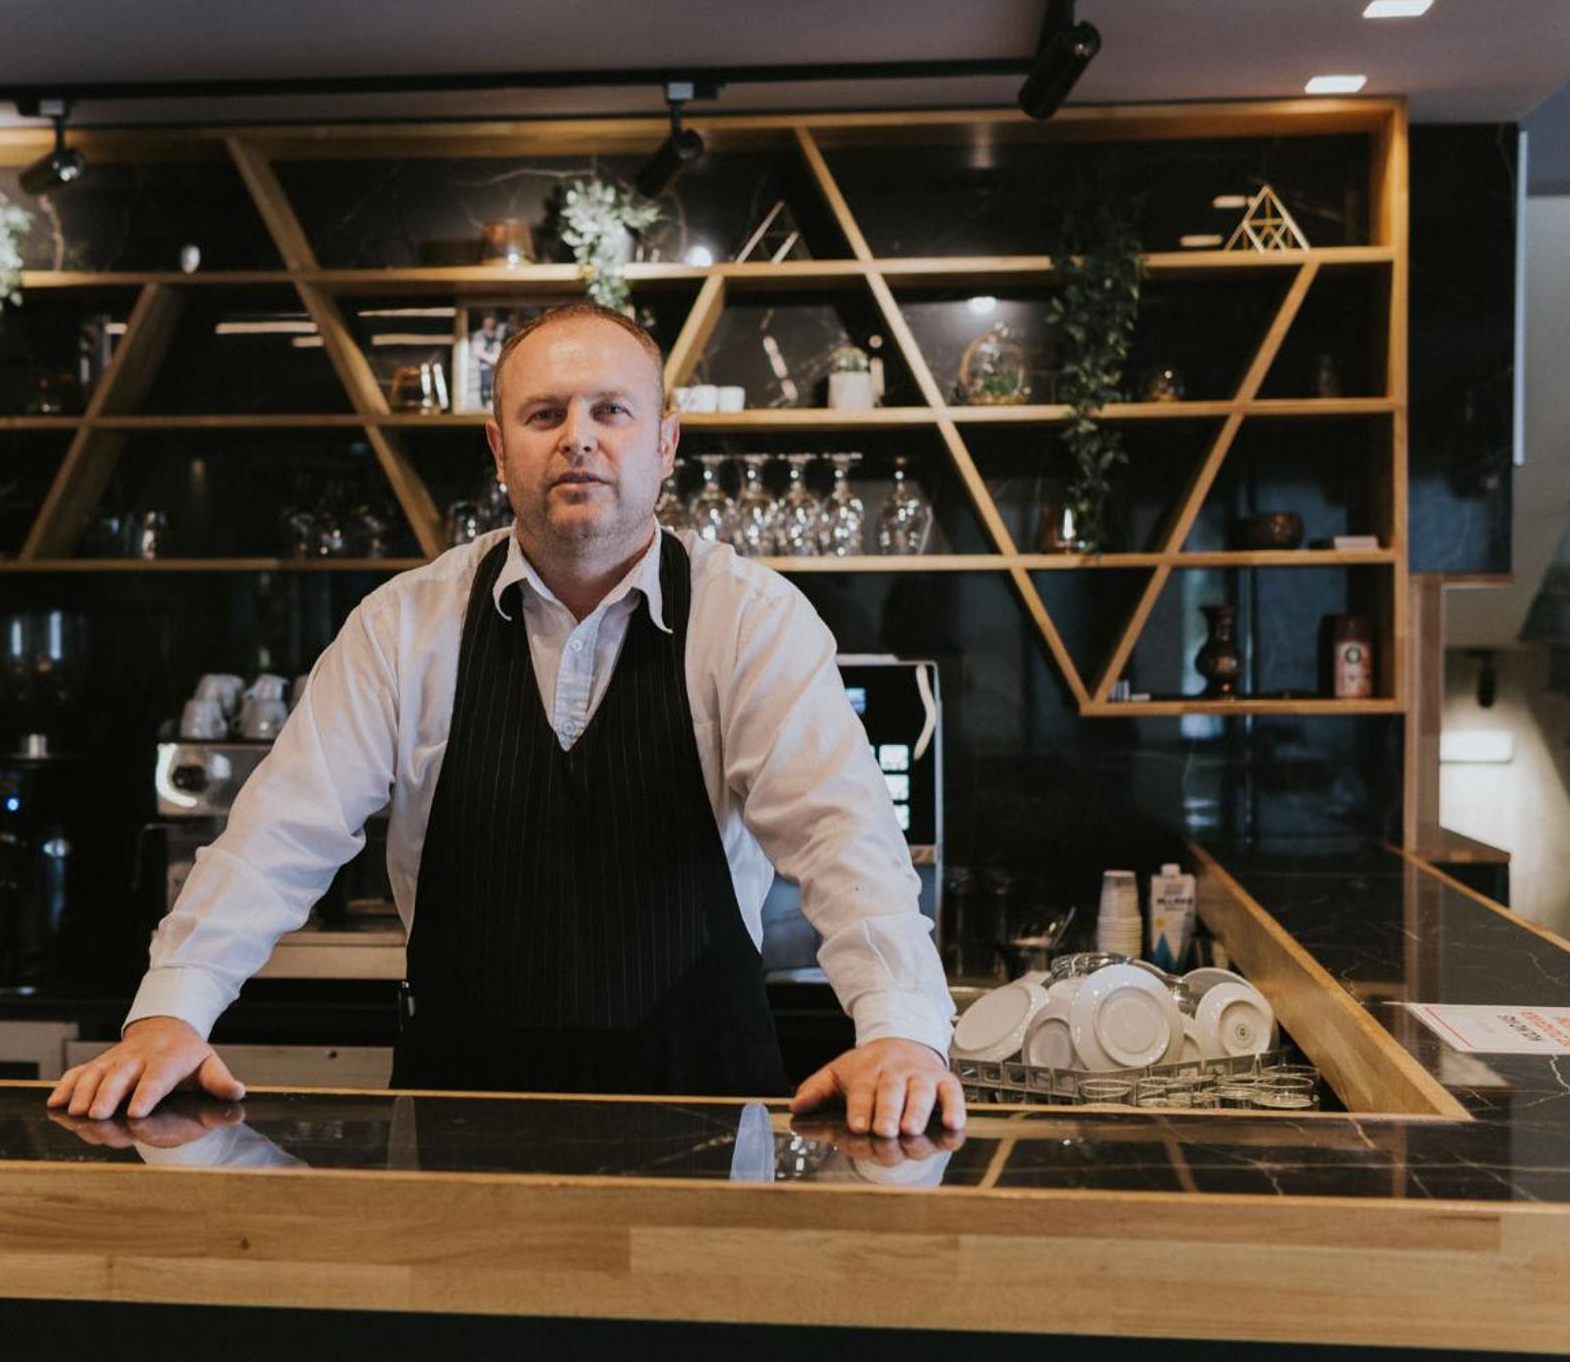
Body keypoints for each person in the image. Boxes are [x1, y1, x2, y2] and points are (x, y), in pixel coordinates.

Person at [48, 302, 963, 1141]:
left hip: (708, 1124)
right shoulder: (404, 626)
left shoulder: (750, 619)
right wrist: (171, 1011)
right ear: (498, 448)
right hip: (453, 1125)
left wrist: (901, 1029)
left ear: (665, 443)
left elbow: (841, 836)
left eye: (611, 411)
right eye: (544, 414)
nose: (578, 438)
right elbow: (278, 833)